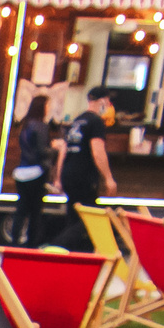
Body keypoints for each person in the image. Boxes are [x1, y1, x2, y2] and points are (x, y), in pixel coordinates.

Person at [47, 87, 118, 251]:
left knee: (73, 217)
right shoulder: (96, 122)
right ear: (102, 101)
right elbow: (97, 151)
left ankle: (75, 255)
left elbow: (64, 150)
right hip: (84, 175)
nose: (108, 105)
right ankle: (57, 245)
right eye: (107, 101)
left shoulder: (77, 121)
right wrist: (108, 178)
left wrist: (59, 176)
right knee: (88, 219)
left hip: (69, 173)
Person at [10, 92, 54, 247]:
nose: (50, 108)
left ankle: (14, 240)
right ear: (42, 107)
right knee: (35, 210)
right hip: (36, 172)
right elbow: (42, 151)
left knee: (21, 209)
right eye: (48, 105)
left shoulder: (26, 124)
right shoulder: (41, 126)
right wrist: (55, 147)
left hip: (21, 171)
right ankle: (31, 243)